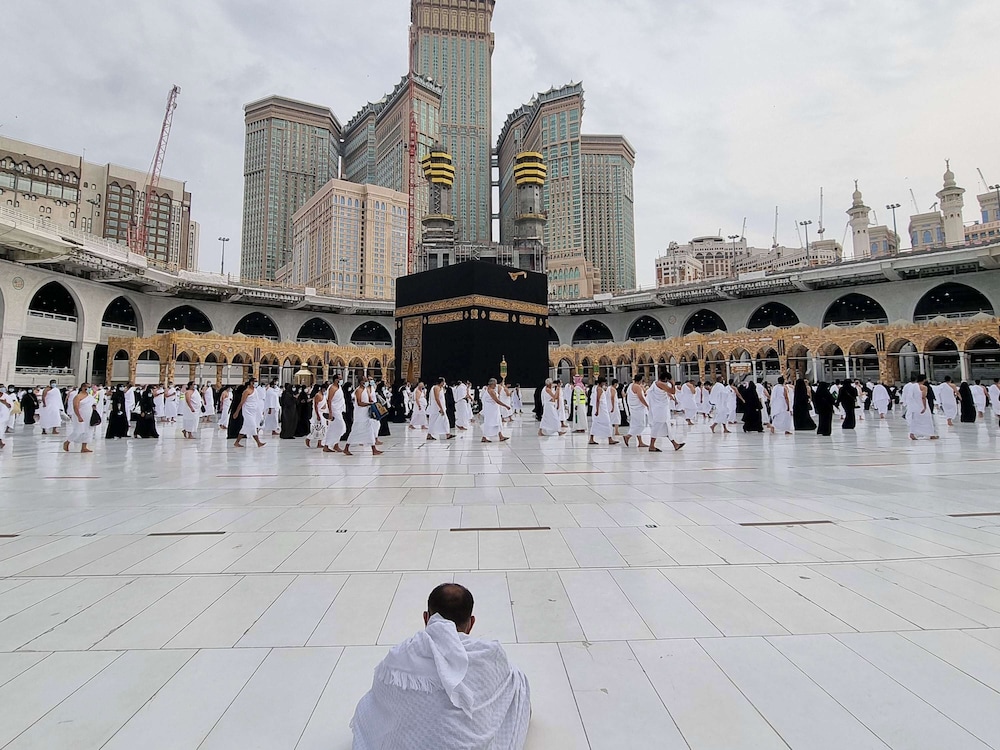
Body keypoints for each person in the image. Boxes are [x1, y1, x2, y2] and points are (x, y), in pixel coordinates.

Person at [351, 583, 530, 750]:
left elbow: (377, 703)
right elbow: (511, 689)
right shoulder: (488, 654)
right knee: (516, 681)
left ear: (426, 618)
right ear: (471, 623)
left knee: (368, 703)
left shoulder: (400, 655)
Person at [646, 369, 685, 453]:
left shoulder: (656, 383)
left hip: (659, 408)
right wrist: (673, 384)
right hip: (660, 409)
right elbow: (672, 391)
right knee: (657, 426)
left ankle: (675, 444)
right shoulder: (661, 384)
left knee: (667, 427)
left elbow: (667, 393)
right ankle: (651, 446)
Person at [345, 378, 383, 455]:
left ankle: (374, 449)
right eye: (364, 381)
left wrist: (374, 404)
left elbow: (370, 399)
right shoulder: (358, 390)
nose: (365, 382)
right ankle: (346, 447)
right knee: (356, 430)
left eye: (366, 381)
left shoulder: (367, 389)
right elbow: (359, 403)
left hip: (366, 413)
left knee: (370, 430)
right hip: (360, 414)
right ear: (360, 382)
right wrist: (368, 404)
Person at [903, 374, 938, 440]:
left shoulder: (912, 386)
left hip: (914, 405)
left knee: (915, 420)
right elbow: (923, 397)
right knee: (927, 420)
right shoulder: (924, 387)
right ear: (924, 380)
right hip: (921, 404)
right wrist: (924, 407)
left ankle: (912, 433)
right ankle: (931, 434)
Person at [234, 378, 267, 448]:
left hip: (254, 411)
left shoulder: (255, 391)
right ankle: (258, 442)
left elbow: (256, 401)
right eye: (255, 382)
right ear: (251, 382)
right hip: (247, 412)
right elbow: (242, 402)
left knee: (245, 428)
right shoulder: (246, 391)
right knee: (253, 426)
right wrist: (237, 412)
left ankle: (237, 442)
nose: (256, 383)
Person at [64, 383, 95, 454]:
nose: (90, 389)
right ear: (84, 388)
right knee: (78, 431)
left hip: (89, 416)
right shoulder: (78, 397)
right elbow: (75, 407)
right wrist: (79, 416)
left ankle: (84, 447)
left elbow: (93, 404)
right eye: (88, 387)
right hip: (80, 416)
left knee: (88, 431)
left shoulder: (90, 396)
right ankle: (67, 442)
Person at [588, 376, 618, 446]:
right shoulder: (599, 389)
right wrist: (597, 410)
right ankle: (609, 439)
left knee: (597, 423)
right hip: (601, 410)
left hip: (602, 408)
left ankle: (594, 438)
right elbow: (598, 400)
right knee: (606, 422)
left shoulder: (597, 388)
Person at [623, 374, 649, 448]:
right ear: (641, 380)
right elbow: (640, 397)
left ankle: (640, 442)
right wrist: (647, 405)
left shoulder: (631, 385)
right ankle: (628, 436)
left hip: (633, 407)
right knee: (640, 425)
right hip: (638, 408)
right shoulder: (637, 387)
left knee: (635, 424)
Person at [323, 375, 347, 454]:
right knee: (340, 426)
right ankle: (329, 445)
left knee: (336, 428)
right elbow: (329, 400)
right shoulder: (332, 388)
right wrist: (330, 412)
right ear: (335, 380)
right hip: (334, 410)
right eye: (339, 379)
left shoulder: (339, 387)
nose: (341, 380)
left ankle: (334, 444)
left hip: (338, 410)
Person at [480, 379, 509, 443]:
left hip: (494, 410)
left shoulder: (489, 389)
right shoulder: (490, 391)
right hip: (491, 411)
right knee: (490, 423)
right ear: (492, 384)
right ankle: (484, 437)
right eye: (495, 384)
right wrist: (506, 406)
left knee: (497, 422)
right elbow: (497, 401)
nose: (495, 385)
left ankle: (501, 436)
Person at [427, 377, 455, 441]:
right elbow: (437, 398)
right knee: (433, 421)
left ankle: (447, 434)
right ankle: (429, 434)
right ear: (441, 382)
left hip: (440, 407)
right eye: (443, 382)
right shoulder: (436, 388)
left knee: (445, 420)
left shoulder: (440, 388)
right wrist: (440, 408)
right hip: (437, 408)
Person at [305, 385, 326, 449]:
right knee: (316, 428)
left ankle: (320, 443)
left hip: (323, 413)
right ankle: (308, 439)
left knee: (323, 428)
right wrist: (318, 415)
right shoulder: (318, 395)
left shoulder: (323, 395)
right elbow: (316, 406)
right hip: (318, 413)